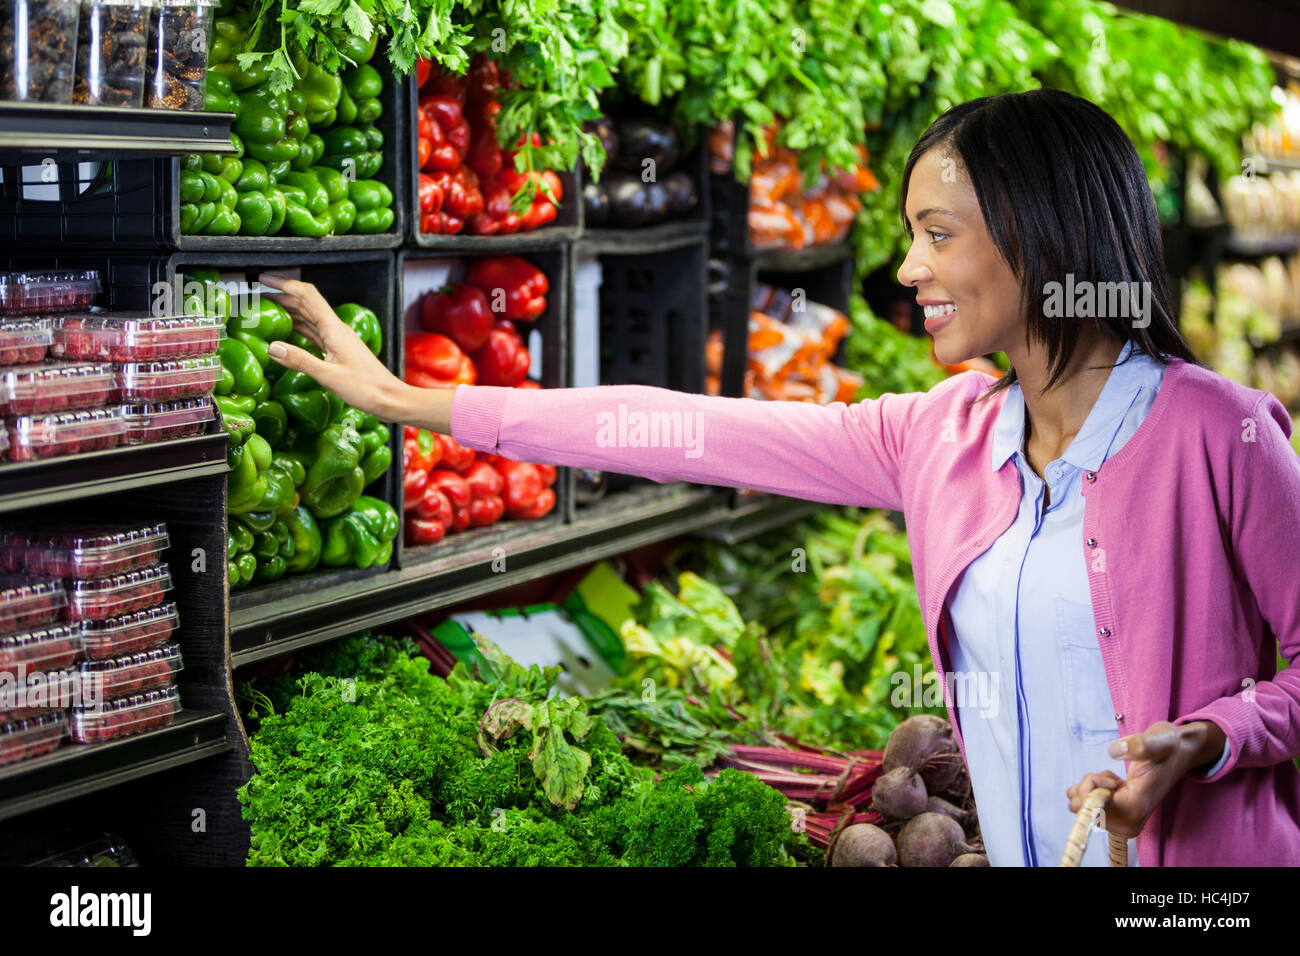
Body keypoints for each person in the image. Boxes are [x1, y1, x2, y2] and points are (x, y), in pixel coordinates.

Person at [260, 87, 1300, 867]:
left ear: (1041, 236)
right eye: (906, 237)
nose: (906, 269)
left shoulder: (1218, 433)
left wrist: (1211, 736)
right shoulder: (940, 434)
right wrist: (412, 403)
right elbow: (681, 431)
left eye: (936, 234)